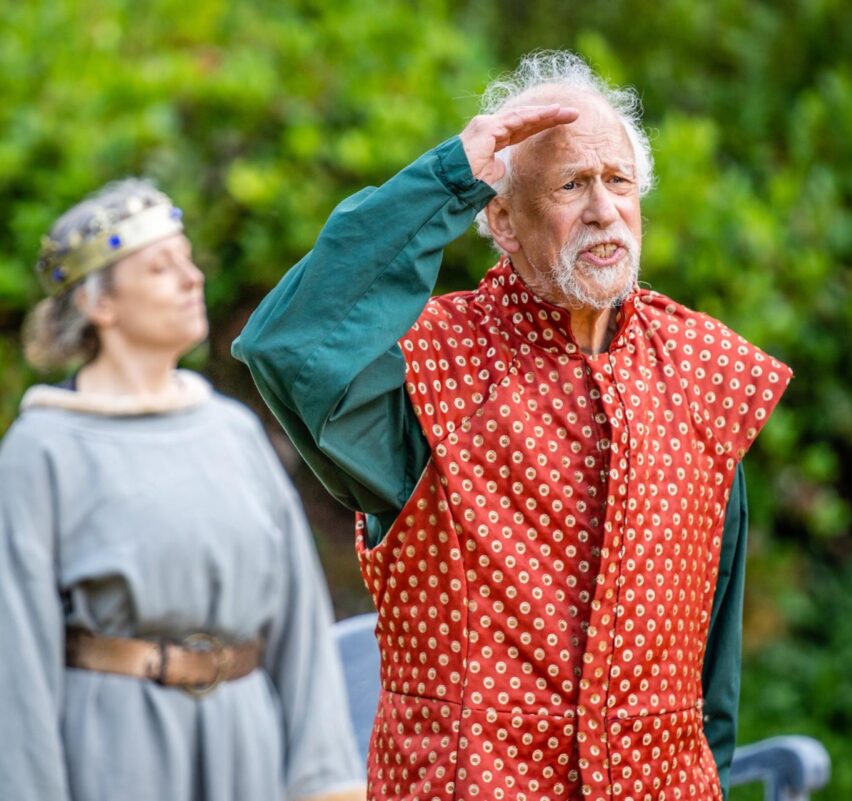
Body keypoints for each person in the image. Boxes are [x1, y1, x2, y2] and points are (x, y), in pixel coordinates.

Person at [234, 51, 792, 801]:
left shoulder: (703, 373)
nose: (602, 209)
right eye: (570, 184)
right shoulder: (430, 368)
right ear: (501, 218)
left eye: (618, 181)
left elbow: (708, 676)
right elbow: (290, 342)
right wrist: (447, 178)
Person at [0, 179, 365, 801]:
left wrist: (325, 781)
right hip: (115, 752)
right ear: (101, 304)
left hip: (245, 744)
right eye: (160, 266)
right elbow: (13, 669)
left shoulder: (234, 431)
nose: (191, 277)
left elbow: (301, 625)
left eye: (189, 259)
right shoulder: (43, 451)